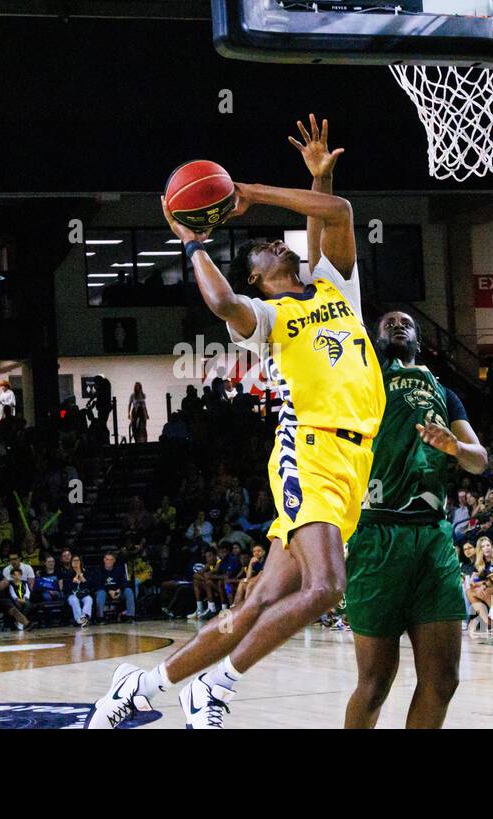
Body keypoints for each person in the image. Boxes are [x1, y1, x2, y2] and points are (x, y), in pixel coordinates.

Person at [91, 115, 385, 729]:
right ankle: (214, 687)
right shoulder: (264, 315)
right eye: (270, 248)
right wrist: (192, 240)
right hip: (308, 450)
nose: (284, 247)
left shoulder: (336, 290)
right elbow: (222, 301)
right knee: (328, 588)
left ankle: (140, 684)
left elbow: (338, 211)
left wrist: (300, 182)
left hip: (355, 463)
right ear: (257, 274)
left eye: (286, 243)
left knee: (259, 604)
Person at [343, 309, 486, 729]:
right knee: (375, 682)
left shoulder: (444, 393)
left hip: (431, 538)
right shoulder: (363, 379)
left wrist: (455, 446)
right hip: (376, 532)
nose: (397, 325)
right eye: (387, 323)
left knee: (443, 680)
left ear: (419, 341)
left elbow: (479, 461)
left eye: (406, 322)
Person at [94, 551, 136, 621]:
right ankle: (100, 618)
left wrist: (119, 590)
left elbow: (124, 582)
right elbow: (97, 584)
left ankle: (130, 616)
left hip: (117, 592)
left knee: (128, 591)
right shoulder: (98, 570)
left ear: (114, 561)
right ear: (104, 560)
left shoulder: (119, 569)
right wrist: (109, 591)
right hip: (105, 592)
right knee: (100, 593)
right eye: (107, 559)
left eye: (111, 560)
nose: (109, 562)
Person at [64, 555, 94, 626]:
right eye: (74, 561)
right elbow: (66, 588)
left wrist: (81, 576)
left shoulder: (86, 572)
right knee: (74, 600)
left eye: (77, 560)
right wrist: (75, 578)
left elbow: (90, 585)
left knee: (89, 599)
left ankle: (83, 619)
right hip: (72, 595)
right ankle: (80, 620)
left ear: (80, 562)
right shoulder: (67, 573)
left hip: (84, 594)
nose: (76, 562)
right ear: (71, 563)